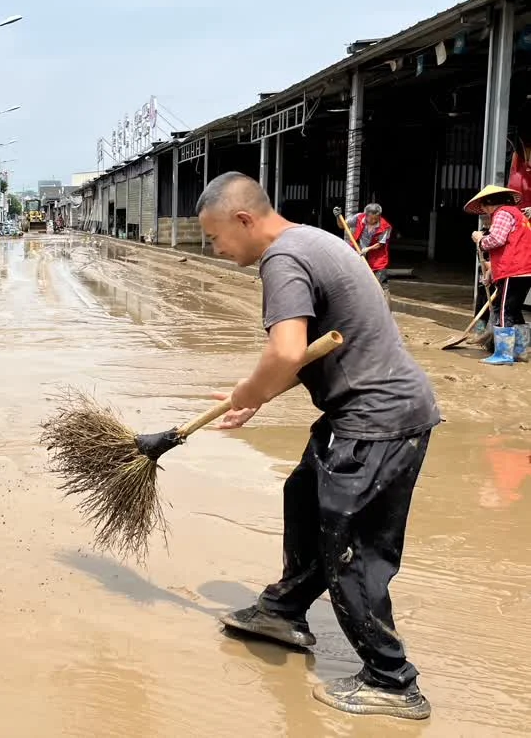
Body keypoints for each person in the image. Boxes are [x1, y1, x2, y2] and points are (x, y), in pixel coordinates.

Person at [144, 172, 440, 720]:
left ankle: (392, 681)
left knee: (348, 549)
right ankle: (283, 611)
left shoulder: (282, 260)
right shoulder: (311, 241)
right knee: (305, 500)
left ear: (243, 221)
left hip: (376, 421)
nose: (215, 249)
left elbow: (285, 352)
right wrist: (259, 398)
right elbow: (311, 350)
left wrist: (250, 388)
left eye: (213, 238)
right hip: (360, 414)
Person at [466, 184, 531, 365]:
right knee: (514, 310)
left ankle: (503, 354)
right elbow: (509, 246)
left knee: (503, 311)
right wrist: (491, 273)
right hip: (523, 269)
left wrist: (480, 240)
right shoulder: (517, 215)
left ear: (490, 204)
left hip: (514, 269)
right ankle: (521, 350)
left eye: (485, 207)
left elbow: (496, 240)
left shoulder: (503, 213)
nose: (486, 212)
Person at [333, 203, 392, 294]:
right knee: (355, 279)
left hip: (377, 256)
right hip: (358, 251)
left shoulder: (385, 226)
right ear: (366, 215)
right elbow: (342, 225)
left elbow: (381, 244)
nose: (373, 221)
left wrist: (367, 249)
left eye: (376, 218)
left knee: (381, 286)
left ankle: (384, 306)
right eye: (371, 218)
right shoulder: (359, 217)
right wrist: (338, 216)